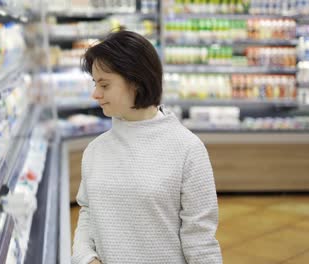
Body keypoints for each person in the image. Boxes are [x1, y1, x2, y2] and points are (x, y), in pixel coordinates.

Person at [71, 30, 222, 264]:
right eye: (94, 83)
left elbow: (201, 242)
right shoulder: (95, 150)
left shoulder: (188, 149)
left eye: (105, 85)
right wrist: (86, 258)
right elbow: (89, 213)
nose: (95, 94)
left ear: (136, 82)